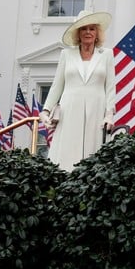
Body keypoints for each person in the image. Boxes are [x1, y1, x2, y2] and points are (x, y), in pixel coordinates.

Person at [40, 10, 115, 171]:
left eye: (92, 28)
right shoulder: (66, 54)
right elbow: (57, 85)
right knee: (67, 150)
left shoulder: (107, 55)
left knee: (93, 152)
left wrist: (109, 115)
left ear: (97, 33)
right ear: (78, 33)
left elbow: (110, 88)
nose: (88, 32)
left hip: (97, 108)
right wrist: (45, 111)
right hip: (70, 108)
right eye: (83, 28)